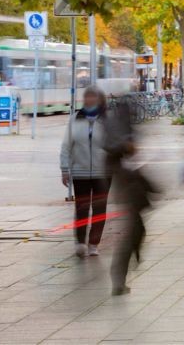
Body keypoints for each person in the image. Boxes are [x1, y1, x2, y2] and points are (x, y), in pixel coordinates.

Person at [105, 96, 157, 296]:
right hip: (129, 193)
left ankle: (122, 273)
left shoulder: (123, 134)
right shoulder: (119, 140)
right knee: (133, 232)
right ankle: (119, 277)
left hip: (129, 191)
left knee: (136, 231)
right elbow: (123, 162)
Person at [60, 86, 111, 258]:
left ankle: (94, 243)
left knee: (99, 209)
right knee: (81, 208)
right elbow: (66, 146)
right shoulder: (75, 119)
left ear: (99, 100)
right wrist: (64, 169)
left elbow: (115, 145)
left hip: (102, 173)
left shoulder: (107, 120)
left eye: (93, 97)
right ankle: (80, 242)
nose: (89, 100)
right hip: (80, 172)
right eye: (87, 97)